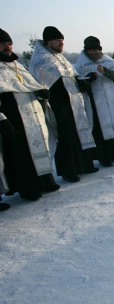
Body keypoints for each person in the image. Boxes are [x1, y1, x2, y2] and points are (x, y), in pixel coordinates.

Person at [29, 26, 98, 183]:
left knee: (78, 134)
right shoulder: (41, 60)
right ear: (48, 42)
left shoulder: (60, 58)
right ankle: (68, 171)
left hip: (74, 103)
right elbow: (42, 86)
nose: (61, 44)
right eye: (58, 41)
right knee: (65, 138)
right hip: (58, 105)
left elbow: (72, 78)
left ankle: (83, 165)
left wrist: (84, 81)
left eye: (62, 41)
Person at [0, 28, 59, 201]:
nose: (7, 46)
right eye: (3, 43)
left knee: (40, 147)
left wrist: (41, 95)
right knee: (21, 154)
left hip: (32, 115)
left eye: (9, 43)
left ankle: (45, 181)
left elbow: (31, 86)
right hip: (13, 118)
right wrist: (2, 120)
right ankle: (28, 188)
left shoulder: (18, 65)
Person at [74, 36, 114, 168]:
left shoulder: (109, 62)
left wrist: (106, 71)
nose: (92, 53)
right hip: (95, 103)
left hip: (112, 99)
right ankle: (103, 157)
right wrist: (91, 77)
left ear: (99, 50)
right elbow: (79, 85)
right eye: (90, 50)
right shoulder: (80, 66)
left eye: (95, 50)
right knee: (99, 130)